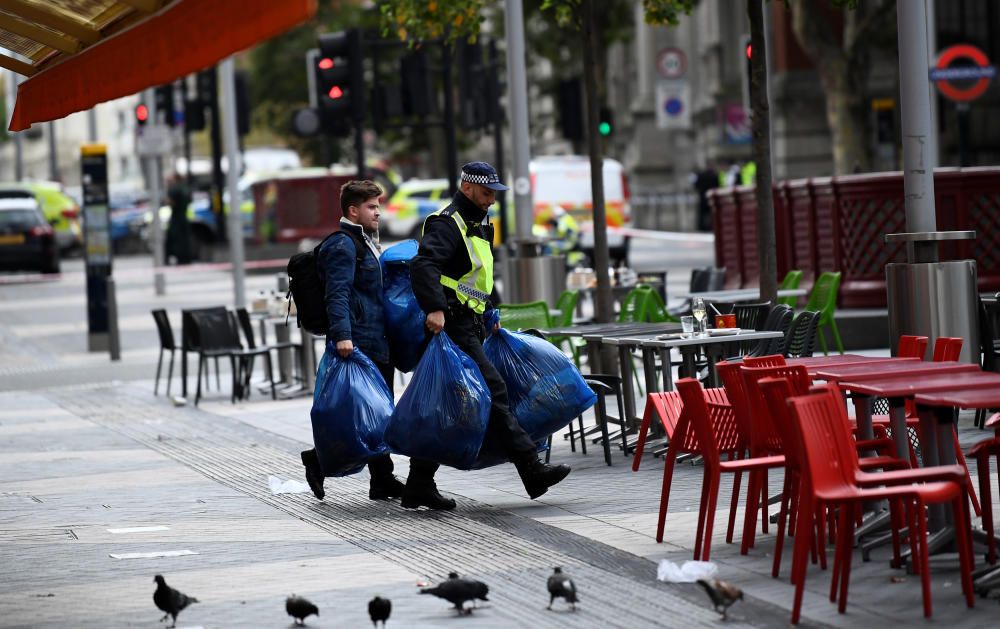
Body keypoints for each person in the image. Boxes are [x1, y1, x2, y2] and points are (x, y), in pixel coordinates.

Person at [410, 161, 572, 500]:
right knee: (493, 390)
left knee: (447, 404)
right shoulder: (448, 222)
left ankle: (419, 484)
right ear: (467, 187)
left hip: (470, 320)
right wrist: (435, 308)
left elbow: (480, 277)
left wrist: (491, 311)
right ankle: (532, 469)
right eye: (486, 193)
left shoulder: (479, 223)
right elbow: (424, 265)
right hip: (451, 324)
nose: (491, 200)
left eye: (494, 194)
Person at [300, 180, 456, 510]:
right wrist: (343, 336)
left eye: (378, 205)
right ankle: (319, 459)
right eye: (372, 207)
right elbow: (336, 294)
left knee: (375, 414)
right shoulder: (343, 245)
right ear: (353, 210)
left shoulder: (366, 242)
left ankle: (381, 479)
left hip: (376, 341)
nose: (378, 212)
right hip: (358, 344)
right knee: (363, 415)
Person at [165, 177, 193, 264]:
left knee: (174, 241)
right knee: (184, 241)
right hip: (184, 219)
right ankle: (185, 259)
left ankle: (177, 258)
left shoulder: (174, 189)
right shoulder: (186, 189)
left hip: (176, 219)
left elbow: (170, 202)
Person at [691, 163, 719, 233]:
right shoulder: (714, 175)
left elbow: (696, 186)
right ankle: (712, 227)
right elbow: (718, 186)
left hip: (702, 197)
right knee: (712, 214)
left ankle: (701, 228)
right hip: (711, 198)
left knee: (701, 214)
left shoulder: (701, 175)